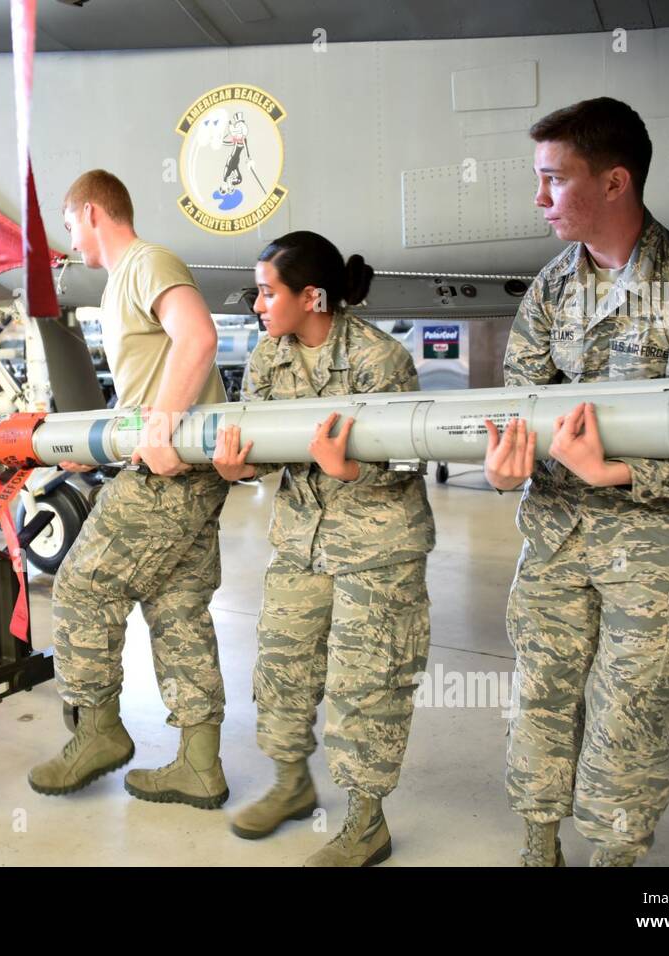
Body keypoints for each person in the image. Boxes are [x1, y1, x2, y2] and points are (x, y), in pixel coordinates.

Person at [483, 98, 669, 866]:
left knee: (627, 715)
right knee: (540, 697)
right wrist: (511, 467)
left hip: (655, 554)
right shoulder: (551, 290)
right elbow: (523, 408)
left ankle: (614, 857)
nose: (538, 199)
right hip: (558, 541)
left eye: (552, 180)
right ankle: (539, 845)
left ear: (614, 182)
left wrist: (618, 471)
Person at [213, 231, 435, 866]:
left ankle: (368, 823)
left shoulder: (378, 358)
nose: (257, 305)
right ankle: (290, 784)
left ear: (312, 297)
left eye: (266, 292)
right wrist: (239, 472)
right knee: (282, 668)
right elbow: (260, 443)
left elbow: (410, 454)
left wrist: (351, 472)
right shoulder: (267, 357)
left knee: (367, 686)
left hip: (378, 546)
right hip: (301, 542)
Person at [27, 170, 234, 809]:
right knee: (177, 609)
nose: (71, 241)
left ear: (92, 212)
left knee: (83, 584)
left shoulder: (146, 262)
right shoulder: (124, 280)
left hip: (167, 473)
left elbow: (198, 336)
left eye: (69, 226)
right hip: (189, 474)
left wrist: (162, 429)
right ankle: (199, 763)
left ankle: (99, 731)